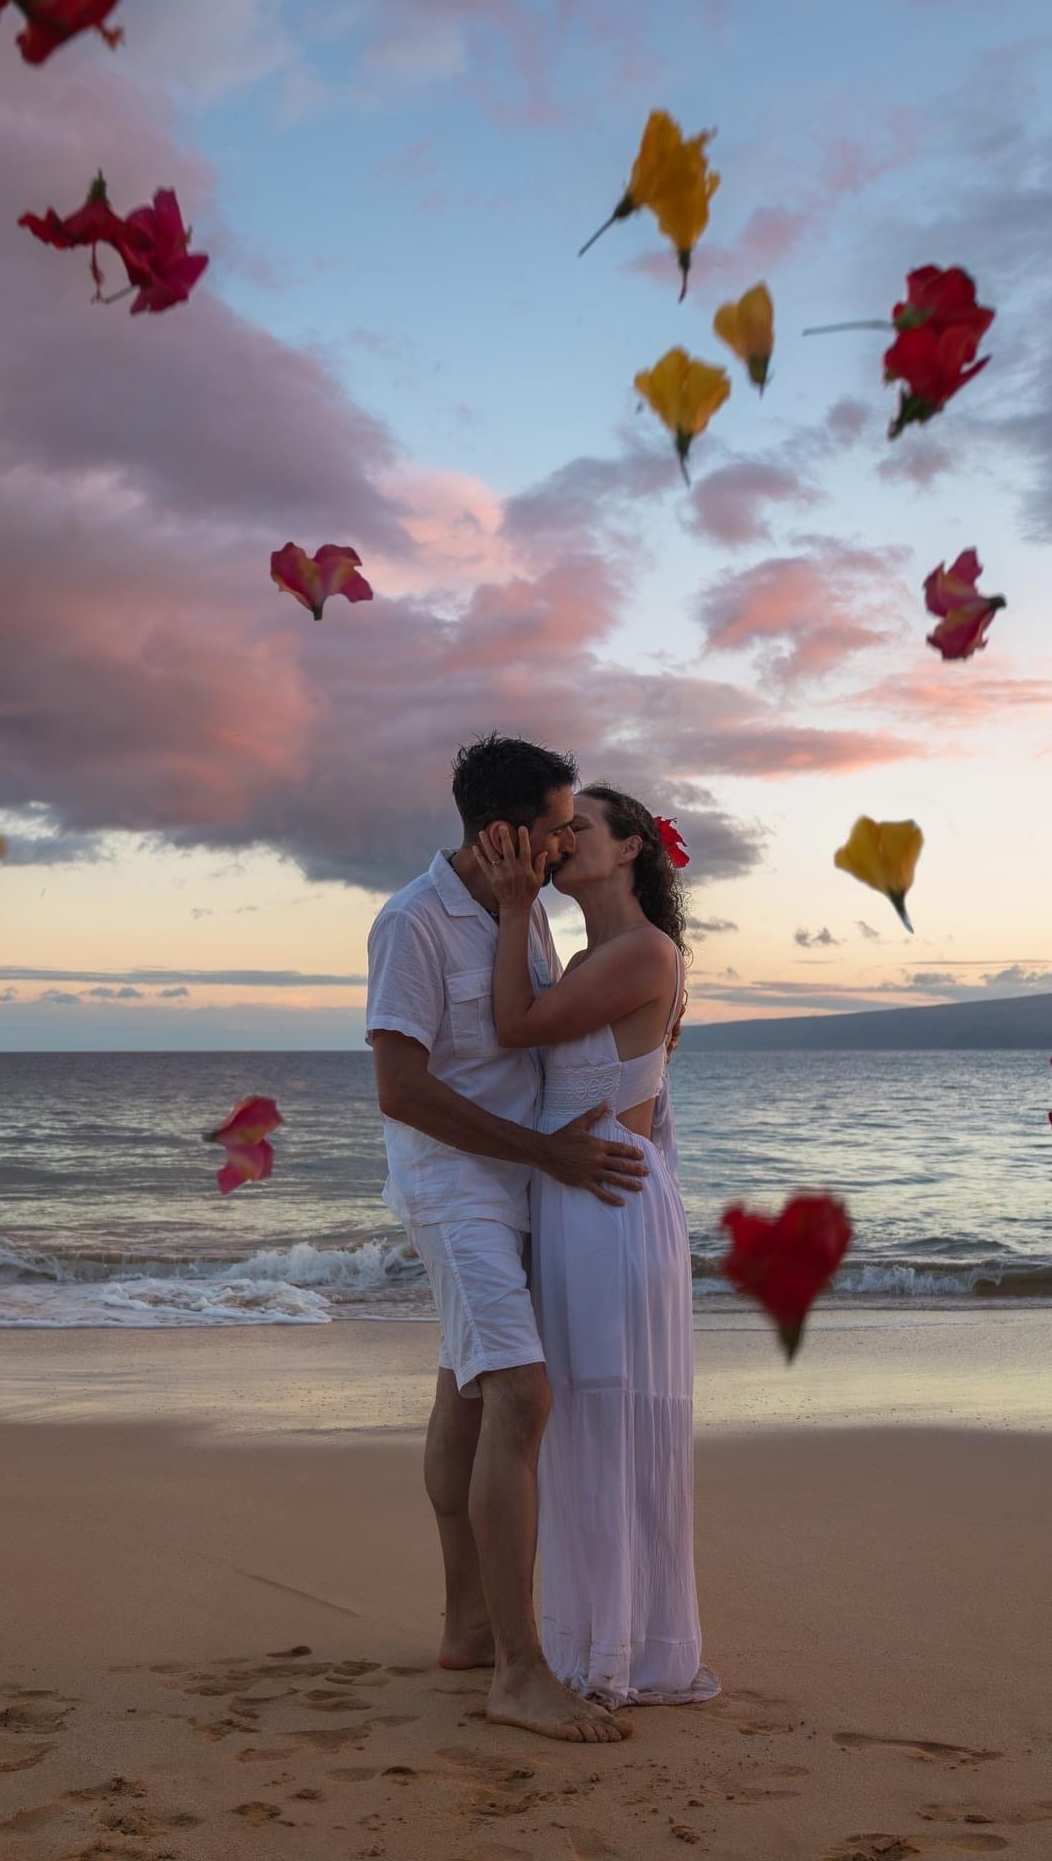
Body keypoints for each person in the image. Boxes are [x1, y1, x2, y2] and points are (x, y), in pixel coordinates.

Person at [366, 735, 648, 1745]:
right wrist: (544, 1151)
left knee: (468, 1386)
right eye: (554, 821)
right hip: (454, 1185)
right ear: (503, 829)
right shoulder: (412, 921)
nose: (564, 837)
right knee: (522, 1394)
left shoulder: (514, 911)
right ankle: (519, 1673)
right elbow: (399, 1087)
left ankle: (467, 1626)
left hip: (519, 1179)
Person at [473, 786, 718, 1709]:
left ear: (630, 851)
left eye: (581, 829)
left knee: (605, 1416)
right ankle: (605, 1638)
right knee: (583, 1418)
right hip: (587, 1186)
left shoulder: (642, 950)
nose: (560, 839)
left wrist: (509, 908)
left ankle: (615, 1650)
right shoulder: (599, 954)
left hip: (602, 1198)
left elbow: (516, 1029)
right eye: (559, 827)